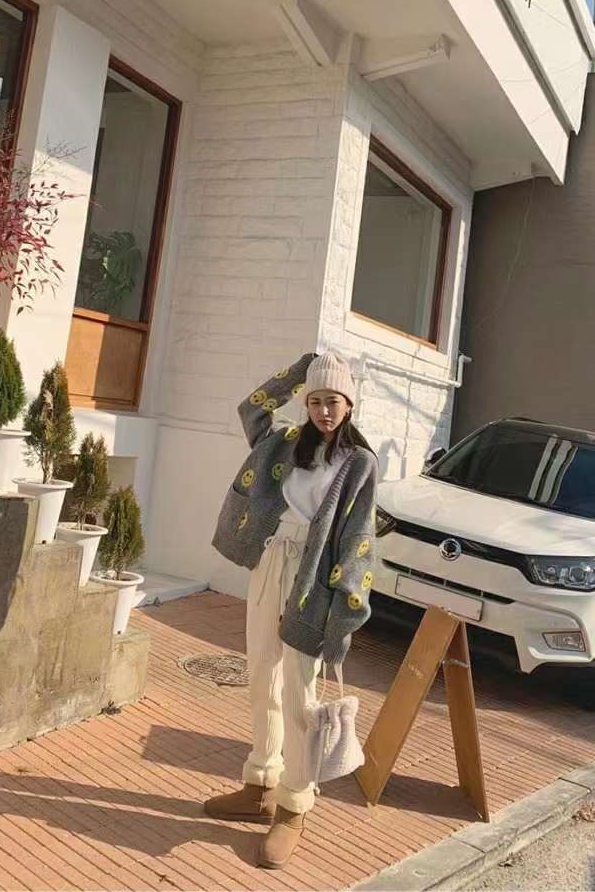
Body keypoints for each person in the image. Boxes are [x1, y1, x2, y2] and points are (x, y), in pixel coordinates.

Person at [206, 352, 378, 869]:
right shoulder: (283, 441)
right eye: (316, 400)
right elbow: (251, 408)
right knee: (262, 675)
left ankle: (294, 806)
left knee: (300, 693)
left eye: (334, 401)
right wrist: (300, 371)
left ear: (350, 405)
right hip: (270, 561)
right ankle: (261, 782)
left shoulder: (359, 463)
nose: (324, 410)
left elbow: (358, 537)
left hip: (313, 581)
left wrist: (344, 609)